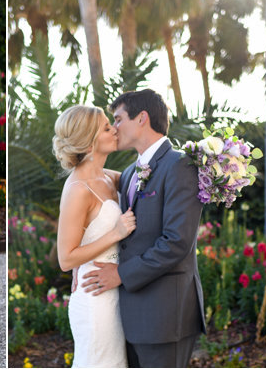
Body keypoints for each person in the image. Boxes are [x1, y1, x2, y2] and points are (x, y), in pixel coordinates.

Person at [82, 89, 206, 368]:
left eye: (118, 119)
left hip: (165, 316)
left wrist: (121, 274)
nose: (114, 128)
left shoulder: (181, 164)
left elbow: (176, 242)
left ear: (142, 118)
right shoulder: (127, 174)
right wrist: (82, 260)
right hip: (127, 315)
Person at [53, 105, 136, 368]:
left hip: (115, 292)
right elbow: (66, 259)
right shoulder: (77, 189)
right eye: (106, 127)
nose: (115, 130)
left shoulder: (111, 178)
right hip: (94, 299)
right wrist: (115, 233)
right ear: (89, 142)